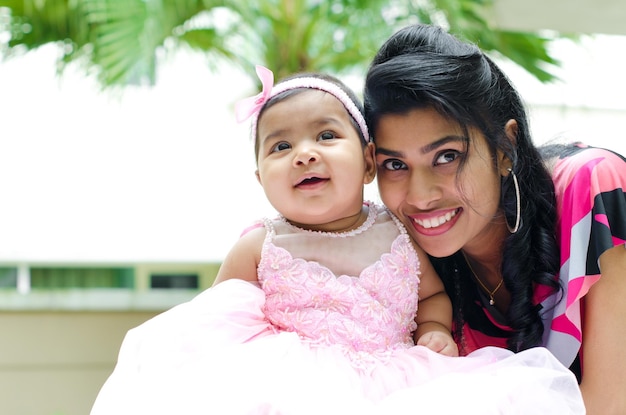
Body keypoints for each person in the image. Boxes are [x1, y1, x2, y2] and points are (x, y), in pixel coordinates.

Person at [90, 66, 584, 415]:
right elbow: (211, 327)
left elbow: (432, 294)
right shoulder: (261, 246)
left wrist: (433, 329)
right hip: (290, 387)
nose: (304, 154)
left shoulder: (399, 233)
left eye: (325, 136)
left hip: (398, 381)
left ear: (369, 160)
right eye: (281, 146)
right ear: (260, 178)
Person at [364, 23, 626, 415]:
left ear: (506, 148)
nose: (420, 196)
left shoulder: (593, 189)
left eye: (447, 156)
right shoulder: (403, 261)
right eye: (395, 164)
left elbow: (608, 405)